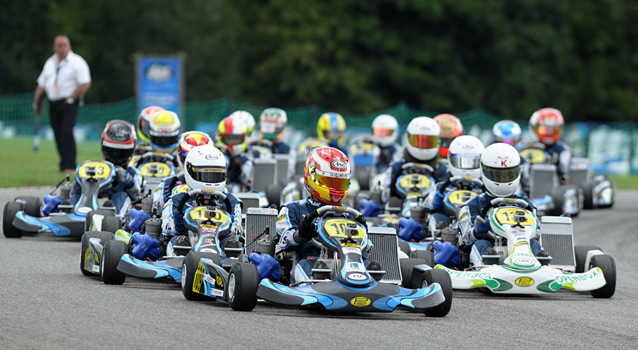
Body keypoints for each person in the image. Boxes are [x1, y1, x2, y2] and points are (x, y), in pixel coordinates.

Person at [274, 146, 370, 283]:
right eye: (330, 182)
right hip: (310, 262)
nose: (335, 188)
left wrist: (364, 239)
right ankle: (312, 287)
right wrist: (300, 234)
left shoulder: (349, 214)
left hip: (347, 265)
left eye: (340, 183)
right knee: (306, 266)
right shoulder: (294, 209)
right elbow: (282, 242)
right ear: (312, 176)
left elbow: (366, 251)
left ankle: (368, 285)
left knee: (368, 266)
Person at [151, 144, 243, 259]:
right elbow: (170, 229)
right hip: (187, 248)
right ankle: (180, 265)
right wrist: (186, 222)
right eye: (205, 174)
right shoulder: (177, 200)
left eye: (216, 174)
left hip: (220, 250)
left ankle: (230, 269)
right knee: (178, 241)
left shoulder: (231, 201)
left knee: (233, 244)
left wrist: (219, 227)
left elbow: (235, 231)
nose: (211, 180)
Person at [458, 143, 545, 262]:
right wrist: (476, 231)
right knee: (482, 244)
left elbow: (537, 234)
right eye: (497, 175)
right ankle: (488, 263)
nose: (502, 180)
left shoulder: (526, 204)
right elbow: (465, 239)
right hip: (491, 245)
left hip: (520, 246)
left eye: (507, 175)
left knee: (533, 244)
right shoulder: (473, 204)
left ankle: (542, 265)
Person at [360, 116, 445, 216]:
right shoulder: (397, 167)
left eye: (428, 142)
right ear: (409, 139)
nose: (423, 146)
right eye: (419, 140)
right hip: (397, 216)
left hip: (431, 215)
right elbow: (386, 196)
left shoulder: (441, 169)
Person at [33, 35, 91, 175]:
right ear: (54, 47)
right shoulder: (50, 63)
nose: (61, 48)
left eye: (64, 45)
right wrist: (37, 103)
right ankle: (63, 164)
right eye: (59, 45)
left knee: (66, 131)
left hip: (69, 103)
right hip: (54, 103)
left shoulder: (77, 62)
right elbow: (42, 85)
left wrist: (72, 98)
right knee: (58, 134)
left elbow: (85, 83)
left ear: (68, 46)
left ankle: (71, 165)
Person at [58, 120, 141, 215]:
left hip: (116, 212)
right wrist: (78, 185)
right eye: (112, 150)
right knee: (76, 194)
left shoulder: (133, 173)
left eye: (122, 152)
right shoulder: (99, 169)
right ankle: (67, 213)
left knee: (121, 195)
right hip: (91, 204)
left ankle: (113, 216)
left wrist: (129, 182)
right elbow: (75, 191)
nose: (116, 156)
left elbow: (138, 197)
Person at [152, 131, 212, 213]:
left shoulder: (219, 187)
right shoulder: (168, 184)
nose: (195, 165)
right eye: (188, 159)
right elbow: (155, 212)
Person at [526, 108, 571, 184]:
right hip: (529, 183)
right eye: (544, 130)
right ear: (535, 128)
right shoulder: (527, 147)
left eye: (553, 130)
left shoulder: (563, 150)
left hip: (554, 186)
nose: (549, 133)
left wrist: (558, 164)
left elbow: (565, 170)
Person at [215, 115, 253, 191]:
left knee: (235, 188)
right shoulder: (216, 156)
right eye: (229, 138)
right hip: (218, 189)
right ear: (222, 138)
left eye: (236, 138)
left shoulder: (246, 159)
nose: (233, 142)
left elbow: (249, 181)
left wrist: (239, 171)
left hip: (239, 191)